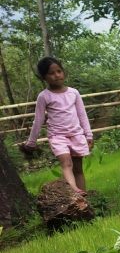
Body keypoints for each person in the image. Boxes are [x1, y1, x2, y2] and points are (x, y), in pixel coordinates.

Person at [22, 57, 93, 195]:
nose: (57, 75)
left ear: (63, 72)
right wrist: (31, 142)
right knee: (66, 164)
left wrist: (88, 135)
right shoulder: (44, 96)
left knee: (78, 169)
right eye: (51, 73)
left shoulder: (74, 93)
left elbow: (82, 115)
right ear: (44, 77)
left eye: (59, 71)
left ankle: (84, 200)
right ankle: (75, 190)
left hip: (76, 134)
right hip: (57, 136)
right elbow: (38, 120)